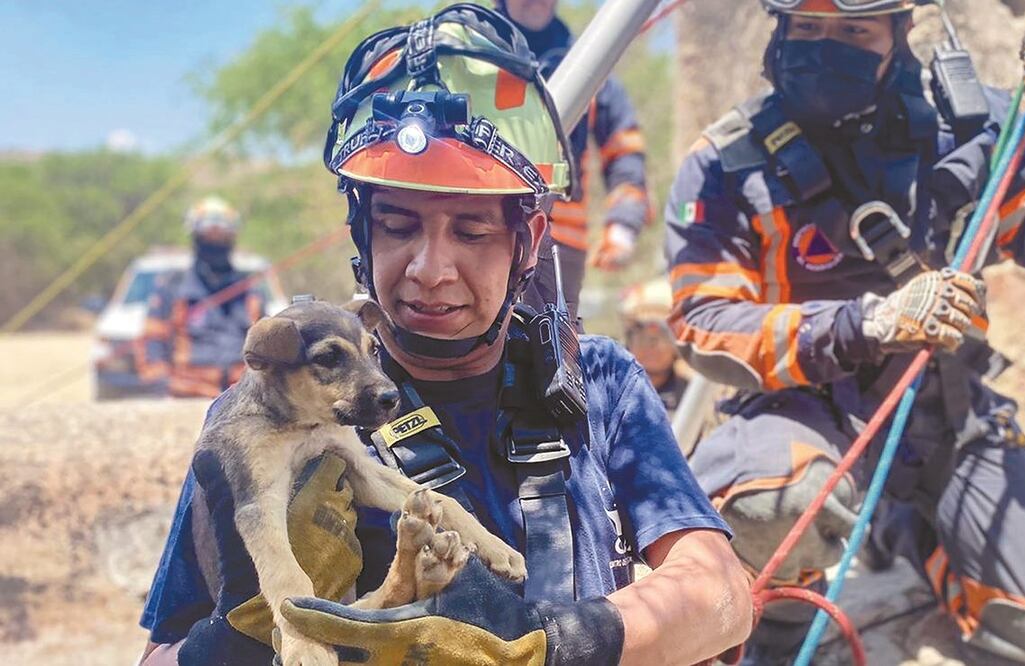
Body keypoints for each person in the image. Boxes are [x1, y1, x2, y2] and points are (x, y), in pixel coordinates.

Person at [138, 6, 751, 665]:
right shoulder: (265, 415)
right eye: (399, 225)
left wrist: (548, 645)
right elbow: (158, 654)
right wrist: (229, 652)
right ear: (362, 233)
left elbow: (720, 594)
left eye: (471, 232)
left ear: (528, 242)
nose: (430, 270)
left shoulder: (599, 384)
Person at [665, 0, 1025, 663]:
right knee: (770, 505)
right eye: (807, 29)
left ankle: (909, 528)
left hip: (942, 412)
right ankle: (777, 629)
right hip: (798, 410)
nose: (826, 45)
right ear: (779, 31)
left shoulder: (975, 132)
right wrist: (867, 323)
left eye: (853, 29)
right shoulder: (727, 161)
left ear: (898, 33)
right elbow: (703, 323)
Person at [498, 0, 652, 322]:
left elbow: (625, 152)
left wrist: (623, 224)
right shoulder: (469, 60)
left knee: (552, 355)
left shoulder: (590, 65)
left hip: (558, 245)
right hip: (477, 230)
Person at [135, 196, 266, 399]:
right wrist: (164, 388)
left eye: (222, 236)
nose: (215, 243)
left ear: (232, 239)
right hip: (187, 396)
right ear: (196, 237)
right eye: (208, 236)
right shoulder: (173, 288)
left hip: (242, 397)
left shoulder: (249, 291)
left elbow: (266, 349)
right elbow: (152, 344)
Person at [621, 278, 688, 415]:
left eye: (662, 338)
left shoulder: (691, 395)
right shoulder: (611, 391)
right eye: (641, 338)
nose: (651, 348)